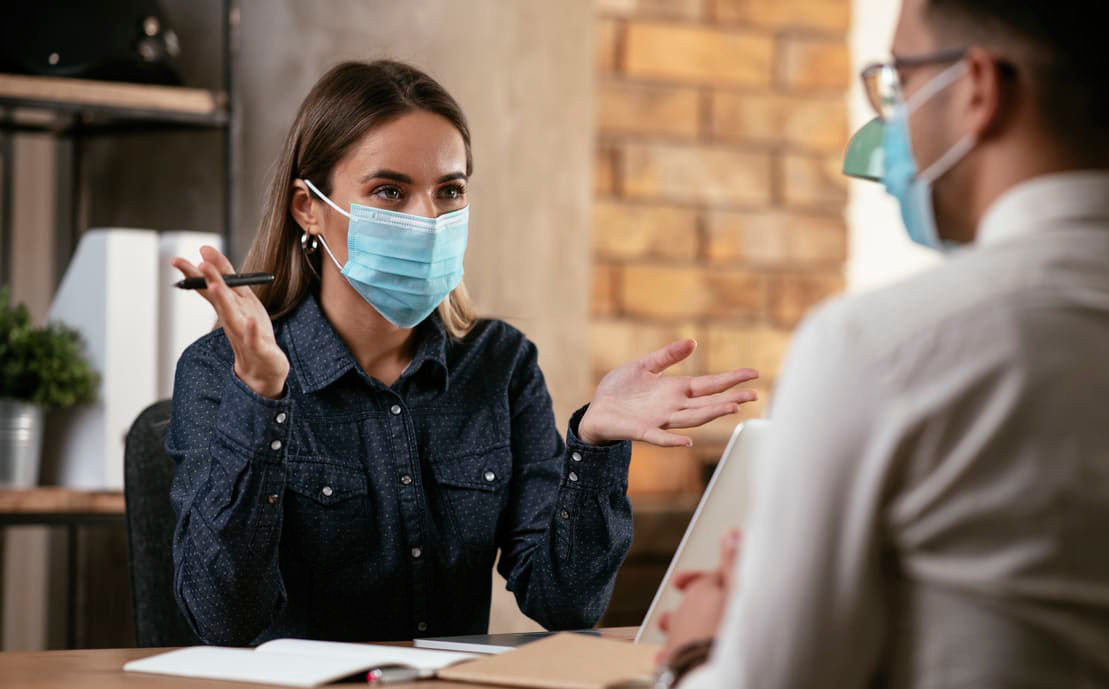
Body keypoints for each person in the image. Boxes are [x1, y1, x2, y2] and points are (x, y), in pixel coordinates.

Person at [660, 0, 1109, 686]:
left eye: (900, 81)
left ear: (976, 89)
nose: (892, 120)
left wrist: (698, 652)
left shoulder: (872, 351)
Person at [167, 60, 759, 646]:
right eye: (390, 191)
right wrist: (262, 397)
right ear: (309, 208)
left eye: (449, 190)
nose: (428, 218)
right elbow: (225, 620)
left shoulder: (500, 363)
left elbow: (566, 605)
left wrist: (596, 446)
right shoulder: (221, 370)